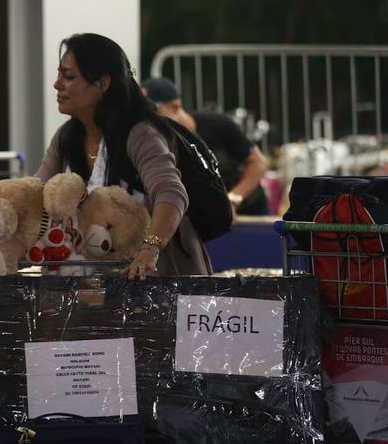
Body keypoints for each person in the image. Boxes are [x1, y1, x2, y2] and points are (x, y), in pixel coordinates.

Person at [36, 33, 211, 278]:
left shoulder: (141, 134)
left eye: (68, 76)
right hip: (94, 285)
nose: (57, 85)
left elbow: (171, 193)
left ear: (102, 84)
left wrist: (150, 249)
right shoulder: (65, 137)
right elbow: (36, 194)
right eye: (59, 75)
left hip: (157, 284)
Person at [142, 77, 270, 216]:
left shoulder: (218, 124)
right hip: (209, 217)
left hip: (249, 210)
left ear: (175, 107)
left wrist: (232, 199)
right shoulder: (158, 142)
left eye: (152, 110)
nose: (148, 120)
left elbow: (259, 163)